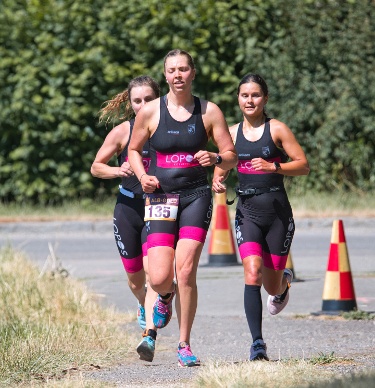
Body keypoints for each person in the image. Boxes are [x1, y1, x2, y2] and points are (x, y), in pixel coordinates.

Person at [128, 49, 238, 367]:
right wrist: (143, 175)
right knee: (161, 276)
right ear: (165, 76)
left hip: (195, 197)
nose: (178, 75)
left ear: (193, 73)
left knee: (186, 270)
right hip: (160, 197)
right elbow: (134, 150)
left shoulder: (209, 111)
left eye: (184, 69)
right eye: (172, 70)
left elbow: (231, 154)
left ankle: (184, 344)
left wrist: (216, 158)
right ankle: (164, 295)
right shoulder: (149, 112)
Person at [212, 73, 310, 361]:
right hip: (247, 212)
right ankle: (257, 343)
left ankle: (283, 285)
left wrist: (274, 167)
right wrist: (218, 181)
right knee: (252, 272)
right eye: (244, 95)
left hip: (278, 213)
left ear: (264, 98)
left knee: (271, 284)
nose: (249, 100)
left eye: (255, 95)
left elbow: (303, 166)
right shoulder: (230, 134)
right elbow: (222, 166)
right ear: (238, 99)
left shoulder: (277, 129)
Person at [90, 75, 160, 362]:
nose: (143, 105)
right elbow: (96, 166)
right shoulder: (122, 131)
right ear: (130, 103)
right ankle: (143, 305)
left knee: (154, 271)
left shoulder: (169, 129)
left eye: (149, 99)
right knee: (135, 279)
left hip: (157, 208)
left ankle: (150, 334)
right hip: (127, 209)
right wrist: (117, 171)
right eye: (137, 100)